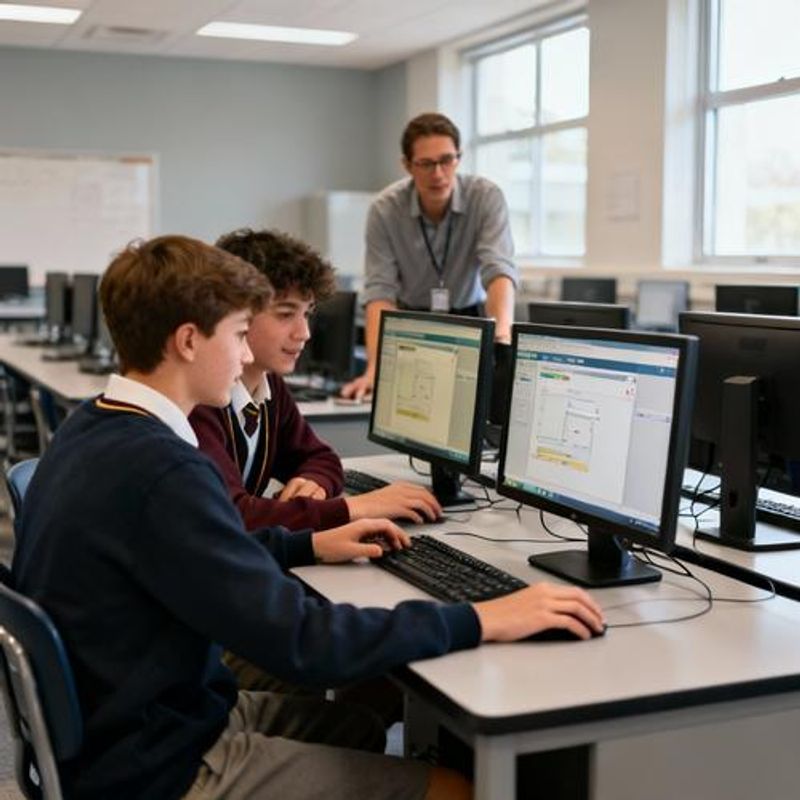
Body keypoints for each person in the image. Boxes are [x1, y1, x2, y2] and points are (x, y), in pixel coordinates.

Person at [12, 235, 605, 800]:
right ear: (188, 341)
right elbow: (303, 641)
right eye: (239, 334)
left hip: (136, 716)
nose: (249, 355)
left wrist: (308, 546)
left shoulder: (94, 426)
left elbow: (195, 555)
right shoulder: (165, 470)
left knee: (360, 726)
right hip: (157, 764)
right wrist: (481, 617)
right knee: (461, 790)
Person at [190, 227, 442, 533]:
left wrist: (315, 482)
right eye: (285, 314)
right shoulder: (201, 398)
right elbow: (234, 516)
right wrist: (355, 508)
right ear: (236, 311)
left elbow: (322, 458)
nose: (304, 333)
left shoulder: (269, 388)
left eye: (307, 314)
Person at [342, 112, 517, 400]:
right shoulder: (385, 209)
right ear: (407, 165)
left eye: (446, 160)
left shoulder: (485, 197)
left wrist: (502, 336)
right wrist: (376, 368)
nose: (438, 174)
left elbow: (498, 270)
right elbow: (380, 292)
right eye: (426, 164)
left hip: (470, 317)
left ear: (458, 157)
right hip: (411, 321)